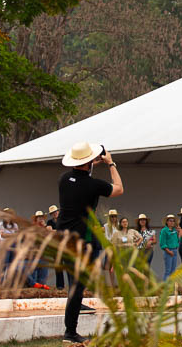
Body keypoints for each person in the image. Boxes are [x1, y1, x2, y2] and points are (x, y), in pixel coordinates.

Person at [57, 141, 123, 344]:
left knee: (74, 282)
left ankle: (74, 314)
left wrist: (92, 162)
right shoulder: (93, 185)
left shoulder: (64, 179)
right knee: (78, 286)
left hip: (63, 236)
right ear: (88, 163)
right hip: (80, 238)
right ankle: (70, 332)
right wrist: (111, 164)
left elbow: (81, 175)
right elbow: (119, 188)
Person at [45, 205, 65, 289]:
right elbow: (49, 231)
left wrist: (55, 231)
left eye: (56, 212)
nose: (55, 213)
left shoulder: (63, 220)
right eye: (53, 213)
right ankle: (60, 285)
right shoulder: (49, 222)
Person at [159, 214, 180, 280]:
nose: (172, 222)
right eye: (170, 221)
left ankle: (171, 287)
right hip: (168, 251)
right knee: (168, 271)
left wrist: (178, 232)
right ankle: (165, 287)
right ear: (167, 222)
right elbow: (162, 243)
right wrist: (169, 251)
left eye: (173, 221)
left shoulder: (174, 230)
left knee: (173, 271)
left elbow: (177, 240)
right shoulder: (164, 231)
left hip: (175, 250)